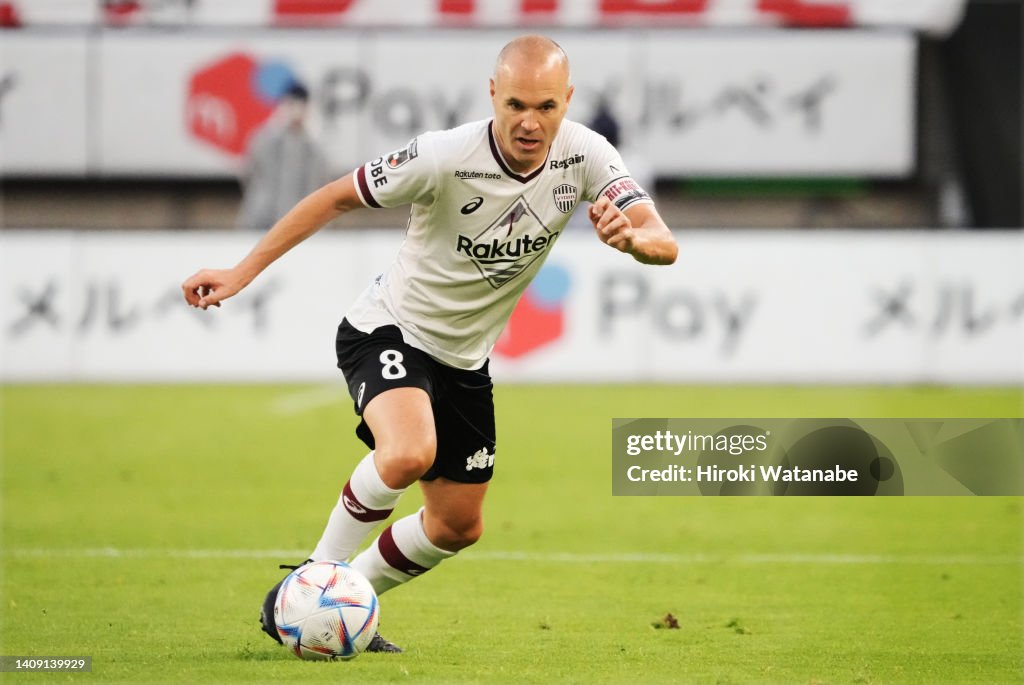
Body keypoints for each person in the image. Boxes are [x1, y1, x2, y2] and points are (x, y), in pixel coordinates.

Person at [182, 35, 678, 652]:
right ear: (492, 94)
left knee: (457, 526)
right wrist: (241, 271)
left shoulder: (587, 155)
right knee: (409, 450)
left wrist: (633, 241)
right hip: (387, 328)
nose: (530, 122)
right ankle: (305, 588)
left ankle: (346, 599)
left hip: (465, 361)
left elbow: (664, 239)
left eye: (546, 107)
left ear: (567, 101)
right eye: (516, 103)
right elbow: (336, 195)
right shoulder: (443, 156)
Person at [236, 81, 328, 231]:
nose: (296, 111)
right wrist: (261, 201)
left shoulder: (315, 149)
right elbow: (248, 174)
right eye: (291, 105)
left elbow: (321, 184)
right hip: (260, 223)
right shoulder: (264, 140)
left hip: (303, 227)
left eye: (300, 106)